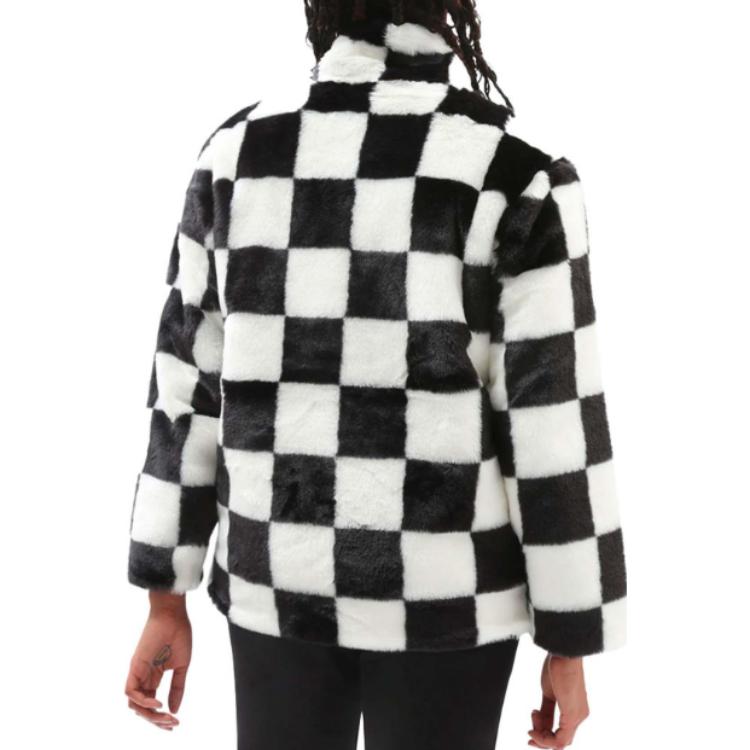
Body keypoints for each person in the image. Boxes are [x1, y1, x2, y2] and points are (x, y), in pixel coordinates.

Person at [124, 1, 627, 748]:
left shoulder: (238, 154)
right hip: (449, 596)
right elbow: (553, 426)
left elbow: (185, 390)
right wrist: (570, 636)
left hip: (276, 581)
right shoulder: (515, 173)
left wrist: (166, 595)